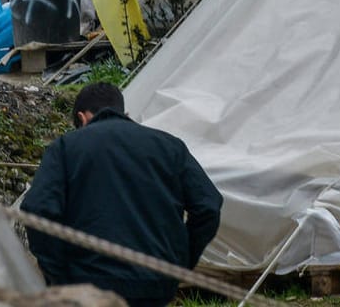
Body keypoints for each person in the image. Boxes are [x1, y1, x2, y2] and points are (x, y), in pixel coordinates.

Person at [21, 83, 222, 307]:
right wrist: (180, 264)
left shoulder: (66, 147)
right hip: (154, 283)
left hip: (88, 283)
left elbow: (37, 209)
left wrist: (58, 275)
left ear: (82, 118)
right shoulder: (170, 147)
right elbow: (209, 207)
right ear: (124, 113)